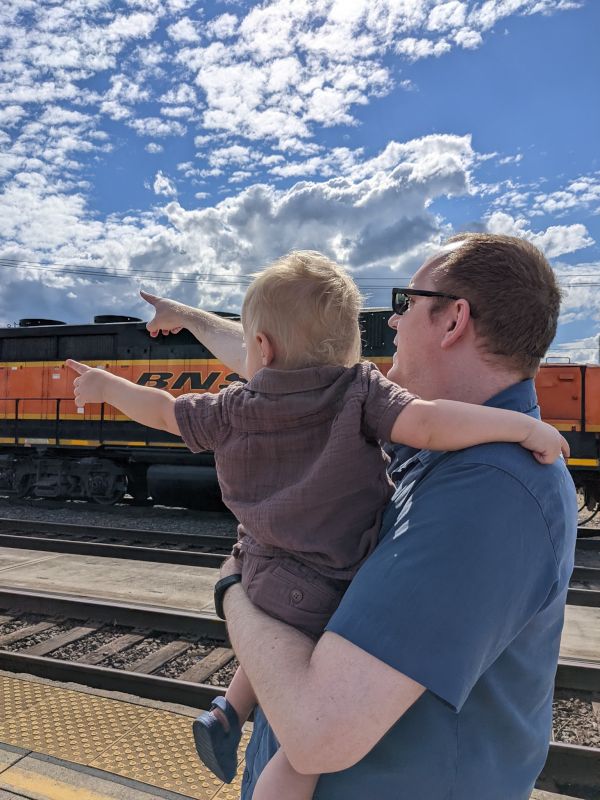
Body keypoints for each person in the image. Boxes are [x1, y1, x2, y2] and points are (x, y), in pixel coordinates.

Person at [66, 248, 567, 800]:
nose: (392, 319)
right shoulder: (406, 422)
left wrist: (233, 585)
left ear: (454, 320)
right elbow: (282, 370)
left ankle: (228, 712)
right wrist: (188, 316)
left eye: (406, 301)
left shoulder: (492, 485)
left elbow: (316, 734)